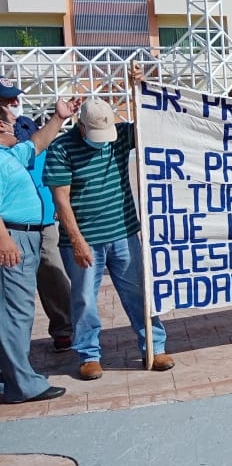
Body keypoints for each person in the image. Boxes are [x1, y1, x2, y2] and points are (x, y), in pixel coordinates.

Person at [44, 97, 175, 380]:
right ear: (81, 127)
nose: (101, 141)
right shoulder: (61, 149)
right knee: (84, 299)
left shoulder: (118, 137)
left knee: (138, 291)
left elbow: (152, 118)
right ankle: (89, 355)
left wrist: (142, 86)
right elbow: (61, 200)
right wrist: (77, 241)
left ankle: (153, 345)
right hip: (84, 239)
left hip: (124, 233)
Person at [0, 96, 82, 403]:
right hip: (13, 238)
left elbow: (35, 144)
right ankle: (22, 384)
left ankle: (11, 374)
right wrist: (4, 240)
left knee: (10, 311)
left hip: (23, 236)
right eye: (10, 122)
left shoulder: (7, 154)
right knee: (16, 313)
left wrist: (58, 118)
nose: (15, 127)